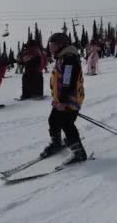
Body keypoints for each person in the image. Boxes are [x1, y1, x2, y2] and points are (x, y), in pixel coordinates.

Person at [40, 33, 87, 165]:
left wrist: (63, 101)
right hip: (62, 99)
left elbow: (68, 81)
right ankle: (56, 144)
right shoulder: (62, 58)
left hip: (69, 99)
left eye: (52, 45)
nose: (50, 47)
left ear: (60, 45)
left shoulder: (69, 59)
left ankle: (79, 153)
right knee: (53, 120)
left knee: (67, 124)